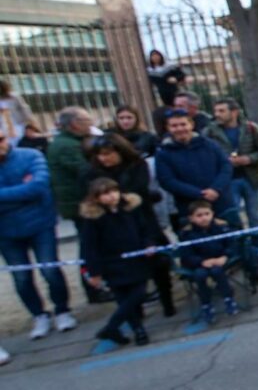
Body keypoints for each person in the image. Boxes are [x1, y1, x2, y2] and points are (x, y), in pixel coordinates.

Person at [82, 133, 176, 317]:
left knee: (159, 265)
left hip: (142, 218)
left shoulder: (136, 166)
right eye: (101, 154)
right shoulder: (91, 173)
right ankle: (135, 313)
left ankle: (168, 302)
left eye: (109, 153)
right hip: (110, 226)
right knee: (124, 274)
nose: (104, 158)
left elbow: (139, 191)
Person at [0, 128, 75, 339]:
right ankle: (39, 315)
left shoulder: (30, 155)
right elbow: (30, 191)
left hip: (40, 224)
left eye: (1, 139)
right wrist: (22, 195)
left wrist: (6, 198)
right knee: (22, 277)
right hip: (6, 231)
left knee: (50, 269)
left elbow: (39, 186)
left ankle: (62, 310)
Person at [202, 97, 258, 281]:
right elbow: (206, 154)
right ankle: (240, 256)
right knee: (233, 220)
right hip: (227, 182)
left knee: (254, 217)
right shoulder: (209, 132)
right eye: (216, 111)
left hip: (250, 178)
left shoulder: (250, 128)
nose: (217, 114)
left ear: (234, 112)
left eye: (221, 111)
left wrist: (248, 159)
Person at [78, 177, 154, 347]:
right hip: (111, 264)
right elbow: (89, 247)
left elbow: (144, 229)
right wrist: (94, 272)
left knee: (139, 293)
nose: (111, 196)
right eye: (105, 194)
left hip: (136, 260)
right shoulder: (93, 219)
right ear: (96, 198)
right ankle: (138, 330)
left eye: (113, 191)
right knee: (123, 298)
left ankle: (112, 327)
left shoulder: (130, 209)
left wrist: (148, 244)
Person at [46, 106, 110, 303]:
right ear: (74, 124)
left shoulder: (71, 141)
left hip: (80, 201)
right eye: (86, 121)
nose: (91, 125)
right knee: (89, 246)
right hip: (80, 204)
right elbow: (86, 170)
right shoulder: (67, 146)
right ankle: (94, 288)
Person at [155, 109, 233, 218]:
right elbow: (167, 180)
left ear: (191, 124)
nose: (180, 129)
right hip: (190, 208)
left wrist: (216, 188)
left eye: (183, 124)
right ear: (168, 128)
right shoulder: (163, 153)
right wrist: (199, 193)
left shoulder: (210, 145)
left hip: (222, 202)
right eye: (174, 126)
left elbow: (225, 167)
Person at [178, 200, 239, 323]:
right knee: (200, 275)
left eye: (207, 214)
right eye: (199, 215)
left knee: (217, 271)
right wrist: (201, 262)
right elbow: (186, 255)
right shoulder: (186, 234)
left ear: (212, 214)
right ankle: (206, 304)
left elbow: (232, 245)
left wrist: (225, 256)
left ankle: (228, 298)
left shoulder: (222, 227)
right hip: (200, 263)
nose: (204, 218)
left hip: (220, 260)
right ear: (191, 218)